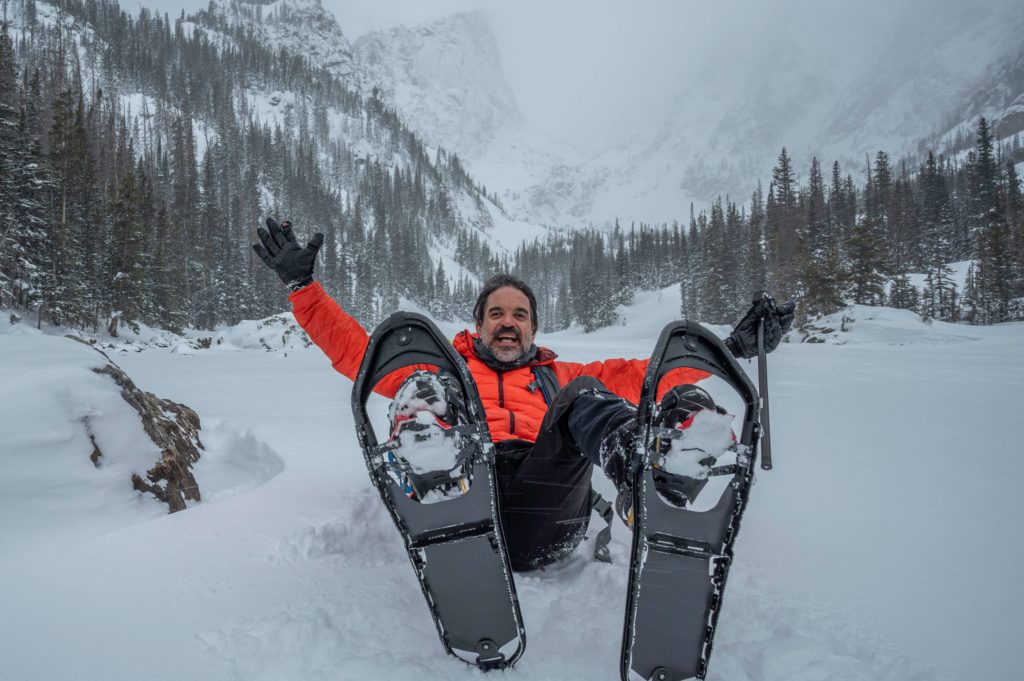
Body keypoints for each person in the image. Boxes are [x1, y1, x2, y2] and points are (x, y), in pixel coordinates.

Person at [253, 217, 795, 571]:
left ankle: (646, 466)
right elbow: (359, 354)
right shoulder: (452, 368)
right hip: (468, 494)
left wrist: (730, 349)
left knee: (588, 393)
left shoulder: (559, 374)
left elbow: (648, 377)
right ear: (478, 323)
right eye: (496, 314)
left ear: (534, 328)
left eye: (519, 315)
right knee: (429, 384)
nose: (507, 323)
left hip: (547, 512)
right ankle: (437, 468)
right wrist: (304, 290)